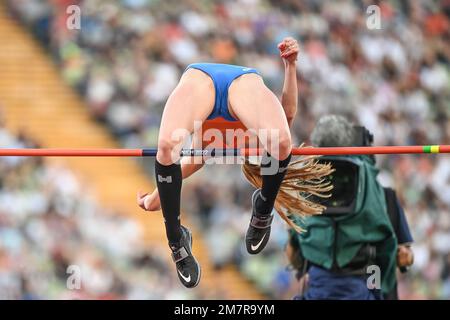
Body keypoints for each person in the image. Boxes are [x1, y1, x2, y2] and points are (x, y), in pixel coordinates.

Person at [137, 37, 301, 288]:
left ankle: (178, 238)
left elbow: (175, 171)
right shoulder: (262, 142)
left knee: (167, 147)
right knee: (281, 143)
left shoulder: (207, 151)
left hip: (207, 86)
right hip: (233, 82)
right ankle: (182, 236)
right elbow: (287, 113)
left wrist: (151, 199)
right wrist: (291, 67)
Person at [284, 115, 414, 300]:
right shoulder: (376, 188)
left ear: (315, 145)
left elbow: (293, 251)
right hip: (367, 279)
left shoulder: (305, 182)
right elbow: (400, 256)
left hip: (321, 284)